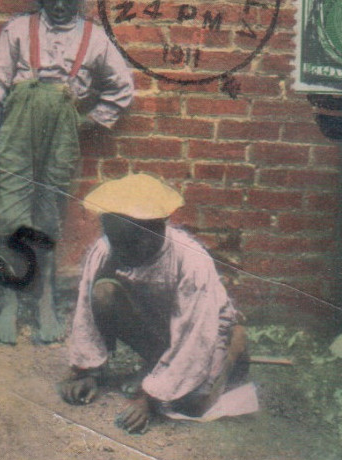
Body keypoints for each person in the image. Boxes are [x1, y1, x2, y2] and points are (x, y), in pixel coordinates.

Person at [0, 0, 135, 345]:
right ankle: (9, 304)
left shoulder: (95, 40)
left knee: (48, 217)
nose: (61, 5)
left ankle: (44, 301)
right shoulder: (18, 31)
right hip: (15, 129)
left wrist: (86, 121)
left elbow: (122, 88)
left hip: (62, 132)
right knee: (11, 214)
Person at [59, 174, 252, 434]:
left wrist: (150, 399)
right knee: (103, 292)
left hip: (206, 329)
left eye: (133, 244)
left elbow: (194, 334)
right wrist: (87, 371)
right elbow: (86, 311)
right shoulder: (106, 250)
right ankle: (157, 366)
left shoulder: (191, 260)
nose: (123, 253)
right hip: (159, 327)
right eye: (118, 244)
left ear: (159, 230)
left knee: (193, 403)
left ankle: (235, 345)